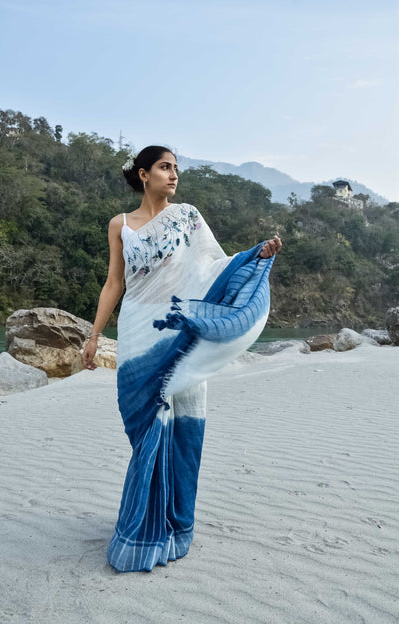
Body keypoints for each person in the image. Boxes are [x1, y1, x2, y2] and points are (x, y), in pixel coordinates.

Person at [82, 145, 282, 573]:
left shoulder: (188, 216)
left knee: (183, 427)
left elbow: (215, 267)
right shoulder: (120, 225)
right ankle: (143, 524)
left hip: (178, 332)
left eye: (176, 168)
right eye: (164, 167)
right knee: (144, 426)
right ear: (142, 174)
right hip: (137, 333)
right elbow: (114, 283)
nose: (173, 175)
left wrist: (254, 258)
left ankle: (173, 526)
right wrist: (94, 336)